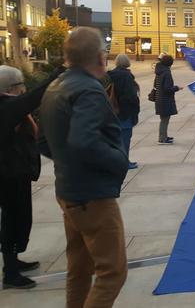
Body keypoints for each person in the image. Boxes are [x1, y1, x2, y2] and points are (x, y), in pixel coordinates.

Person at [39, 27, 128, 307]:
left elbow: (42, 140)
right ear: (101, 58)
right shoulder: (89, 90)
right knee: (112, 273)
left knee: (79, 269)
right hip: (93, 196)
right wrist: (118, 161)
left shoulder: (55, 86)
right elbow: (84, 141)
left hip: (68, 191)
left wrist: (65, 161)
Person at [0, 65, 64, 289]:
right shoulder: (6, 107)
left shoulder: (7, 106)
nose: (23, 89)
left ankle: (13, 261)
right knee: (13, 218)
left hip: (14, 171)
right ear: (11, 88)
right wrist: (59, 72)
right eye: (20, 86)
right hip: (9, 174)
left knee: (18, 217)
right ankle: (10, 272)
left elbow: (30, 97)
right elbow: (34, 97)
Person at [108, 54, 140, 168]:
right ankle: (124, 162)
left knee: (116, 138)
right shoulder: (126, 76)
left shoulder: (110, 74)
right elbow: (130, 96)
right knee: (125, 138)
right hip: (125, 112)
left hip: (112, 111)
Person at [154, 54, 180, 144]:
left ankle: (164, 136)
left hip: (159, 98)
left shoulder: (159, 71)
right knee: (165, 120)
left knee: (164, 119)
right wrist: (176, 88)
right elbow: (167, 89)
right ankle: (162, 138)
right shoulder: (166, 73)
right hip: (165, 99)